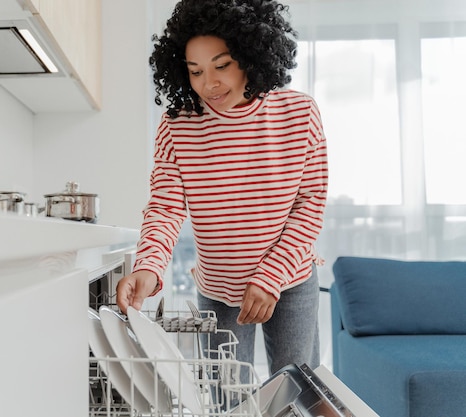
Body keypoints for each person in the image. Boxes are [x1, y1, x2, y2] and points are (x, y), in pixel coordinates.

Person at [116, 0, 328, 377]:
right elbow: (165, 208)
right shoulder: (177, 126)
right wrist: (148, 267)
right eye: (195, 71)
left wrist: (270, 276)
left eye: (222, 66)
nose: (208, 84)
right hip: (218, 284)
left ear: (251, 56)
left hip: (290, 279)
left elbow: (310, 205)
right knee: (226, 398)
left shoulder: (299, 114)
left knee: (297, 390)